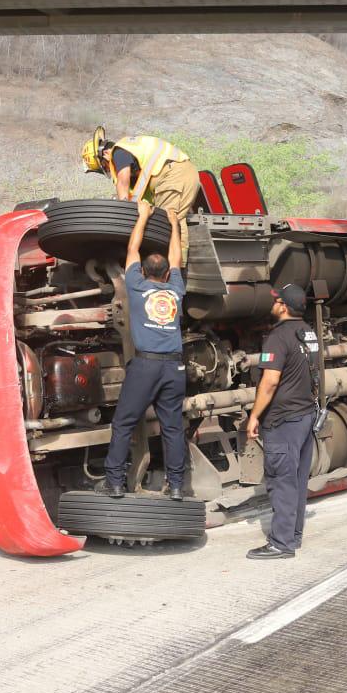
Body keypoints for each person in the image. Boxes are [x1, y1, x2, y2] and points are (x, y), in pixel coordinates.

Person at [94, 200, 188, 500]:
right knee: (173, 428)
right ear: (167, 274)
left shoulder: (135, 286)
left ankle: (116, 482)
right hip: (174, 368)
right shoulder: (176, 289)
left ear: (143, 271)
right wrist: (173, 223)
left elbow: (132, 249)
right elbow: (177, 257)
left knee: (124, 423)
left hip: (146, 366)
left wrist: (143, 216)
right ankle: (175, 486)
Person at [244, 283, 320, 560]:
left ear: (283, 306)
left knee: (282, 481)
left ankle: (281, 543)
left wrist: (254, 416)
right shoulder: (308, 333)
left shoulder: (277, 337)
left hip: (282, 420)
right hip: (304, 416)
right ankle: (293, 536)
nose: (273, 303)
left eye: (276, 300)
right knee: (297, 480)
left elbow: (270, 382)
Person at [80, 128, 201, 266]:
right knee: (176, 219)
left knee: (166, 223)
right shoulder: (136, 156)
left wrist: (123, 211)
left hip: (172, 175)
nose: (109, 169)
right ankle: (181, 266)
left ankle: (175, 270)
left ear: (105, 154)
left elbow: (122, 182)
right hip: (186, 172)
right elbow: (142, 196)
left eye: (105, 166)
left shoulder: (119, 152)